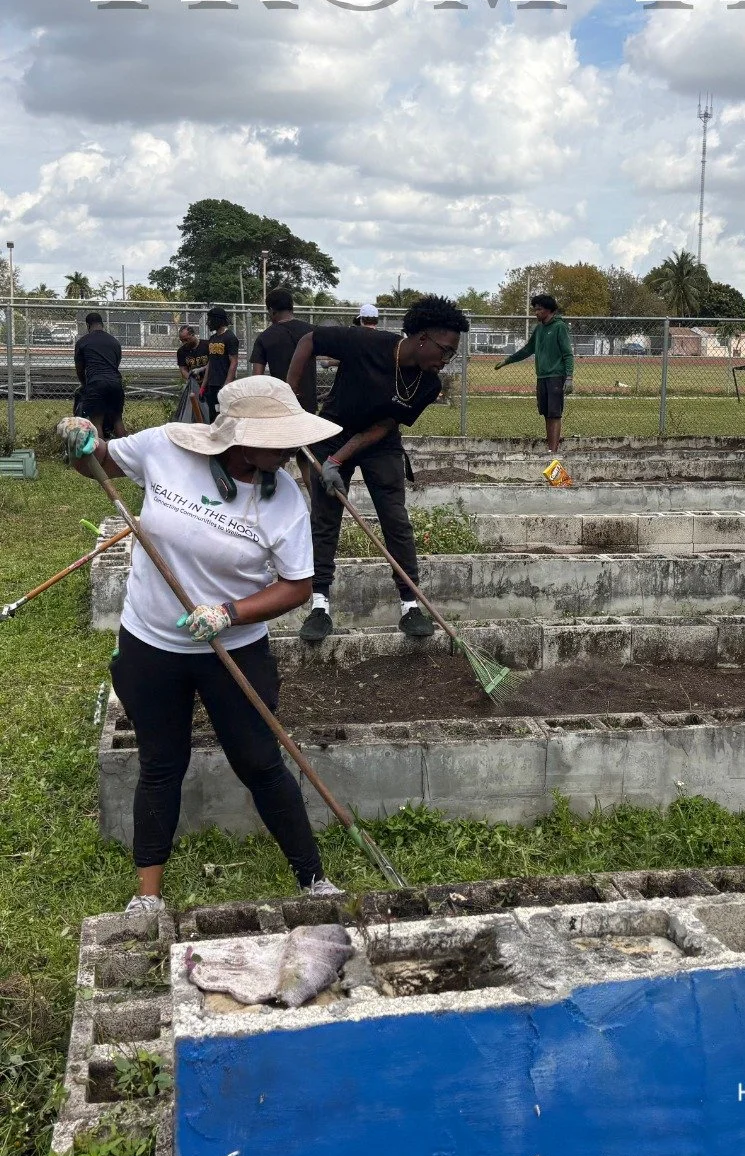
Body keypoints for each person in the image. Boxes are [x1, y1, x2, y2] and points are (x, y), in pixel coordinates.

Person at [56, 378, 344, 912]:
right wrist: (80, 439)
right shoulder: (165, 446)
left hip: (233, 648)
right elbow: (97, 462)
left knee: (260, 762)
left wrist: (228, 613)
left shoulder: (284, 500)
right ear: (236, 435)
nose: (286, 450)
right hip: (151, 643)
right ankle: (147, 899)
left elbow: (299, 585)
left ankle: (313, 880)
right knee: (162, 763)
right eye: (276, 438)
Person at [286, 294, 469, 643]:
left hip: (379, 444)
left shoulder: (429, 384)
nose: (447, 360)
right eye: (445, 350)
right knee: (325, 518)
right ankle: (320, 605)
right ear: (421, 339)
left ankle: (409, 604)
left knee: (395, 520)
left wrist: (339, 461)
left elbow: (386, 424)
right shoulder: (365, 342)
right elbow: (310, 340)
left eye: (452, 354)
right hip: (332, 430)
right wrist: (290, 395)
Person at [495, 293, 574, 455]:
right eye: (535, 309)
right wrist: (508, 360)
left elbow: (568, 354)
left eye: (539, 309)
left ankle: (553, 451)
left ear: (549, 310)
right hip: (542, 376)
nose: (536, 313)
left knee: (555, 414)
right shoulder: (539, 329)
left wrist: (569, 377)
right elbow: (528, 349)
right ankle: (549, 448)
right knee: (546, 413)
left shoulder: (560, 327)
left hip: (556, 377)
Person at [251, 288, 317, 412]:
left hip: (281, 403)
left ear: (271, 310)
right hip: (308, 403)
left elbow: (257, 378)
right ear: (292, 307)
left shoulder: (264, 337)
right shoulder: (312, 331)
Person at [74, 312, 126, 440]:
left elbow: (80, 369)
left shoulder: (82, 342)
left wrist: (84, 384)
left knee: (97, 423)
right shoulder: (114, 342)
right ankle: (124, 455)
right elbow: (116, 363)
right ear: (102, 324)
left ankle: (101, 458)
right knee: (117, 420)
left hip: (96, 383)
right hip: (115, 383)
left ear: (87, 325)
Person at [202, 307, 239, 423]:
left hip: (224, 385)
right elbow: (210, 363)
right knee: (213, 415)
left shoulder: (230, 337)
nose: (208, 323)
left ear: (218, 320)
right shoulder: (212, 338)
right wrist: (203, 385)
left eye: (210, 320)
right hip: (212, 384)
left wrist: (226, 385)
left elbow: (234, 361)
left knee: (225, 416)